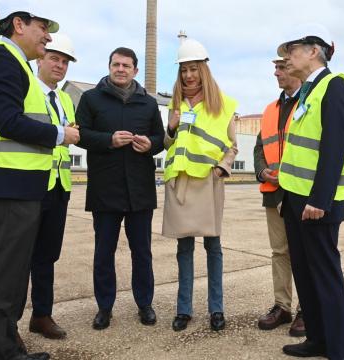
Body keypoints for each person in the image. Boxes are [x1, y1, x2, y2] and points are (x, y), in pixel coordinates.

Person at [0, 1, 80, 359]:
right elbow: (8, 122)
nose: (48, 35)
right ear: (18, 24)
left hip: (18, 185)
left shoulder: (16, 64)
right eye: (43, 26)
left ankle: (5, 346)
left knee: (11, 277)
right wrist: (61, 134)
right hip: (6, 184)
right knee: (1, 277)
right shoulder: (0, 59)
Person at [276, 26, 344, 360]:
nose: (286, 57)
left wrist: (319, 200)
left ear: (314, 51)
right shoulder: (307, 93)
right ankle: (318, 339)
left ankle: (340, 351)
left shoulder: (335, 85)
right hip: (296, 197)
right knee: (305, 272)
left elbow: (334, 146)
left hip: (319, 200)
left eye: (292, 50)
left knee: (325, 274)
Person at [76, 47, 164, 331]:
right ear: (109, 66)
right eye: (116, 64)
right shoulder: (91, 99)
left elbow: (160, 138)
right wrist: (108, 140)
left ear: (135, 70)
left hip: (140, 189)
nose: (121, 69)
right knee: (104, 253)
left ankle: (145, 304)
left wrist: (152, 144)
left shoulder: (148, 104)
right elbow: (80, 135)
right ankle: (104, 308)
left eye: (126, 65)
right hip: (105, 189)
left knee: (142, 252)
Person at [162, 38, 238, 332]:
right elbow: (168, 143)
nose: (188, 75)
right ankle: (184, 310)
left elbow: (232, 145)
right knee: (184, 248)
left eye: (193, 69)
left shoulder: (224, 104)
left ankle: (216, 309)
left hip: (208, 182)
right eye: (184, 70)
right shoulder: (174, 104)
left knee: (213, 246)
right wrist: (171, 126)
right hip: (180, 181)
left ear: (203, 70)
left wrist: (223, 168)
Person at [27, 33, 77, 340]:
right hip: (29, 184)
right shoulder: (27, 88)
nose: (59, 66)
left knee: (47, 256)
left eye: (64, 62)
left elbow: (68, 137)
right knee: (19, 258)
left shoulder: (66, 99)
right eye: (54, 59)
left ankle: (41, 316)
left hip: (58, 185)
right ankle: (7, 325)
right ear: (39, 59)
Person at [253, 57, 305, 337]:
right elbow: (260, 147)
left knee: (305, 253)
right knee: (279, 252)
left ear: (296, 68)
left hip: (301, 191)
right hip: (274, 192)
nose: (276, 72)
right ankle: (282, 306)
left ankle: (307, 308)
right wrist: (262, 172)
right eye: (274, 67)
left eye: (282, 67)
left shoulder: (309, 103)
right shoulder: (270, 109)